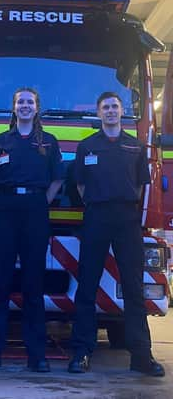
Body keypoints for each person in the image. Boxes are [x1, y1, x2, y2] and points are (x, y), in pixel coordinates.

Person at [68, 91, 165, 377]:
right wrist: (102, 203)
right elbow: (82, 188)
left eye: (114, 107)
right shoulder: (86, 147)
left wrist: (119, 204)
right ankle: (81, 352)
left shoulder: (135, 147)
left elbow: (138, 188)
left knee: (134, 290)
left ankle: (141, 356)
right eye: (105, 107)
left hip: (126, 220)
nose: (110, 111)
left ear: (121, 112)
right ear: (98, 113)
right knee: (87, 287)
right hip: (96, 217)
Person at [0, 87, 64, 372]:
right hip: (6, 211)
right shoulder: (1, 141)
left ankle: (37, 355)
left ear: (37, 108)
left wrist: (41, 202)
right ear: (14, 108)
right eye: (20, 102)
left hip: (36, 212)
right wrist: (6, 200)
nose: (25, 106)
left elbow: (56, 180)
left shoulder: (48, 142)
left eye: (29, 102)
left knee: (33, 286)